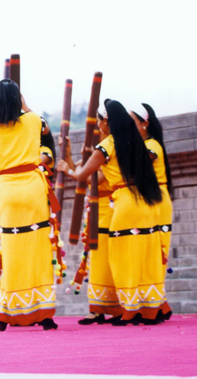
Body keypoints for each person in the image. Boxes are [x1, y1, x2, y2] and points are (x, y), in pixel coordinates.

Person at [60, 99, 168, 325]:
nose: (98, 125)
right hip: (143, 201)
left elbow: (83, 176)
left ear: (105, 122)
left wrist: (67, 170)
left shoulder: (109, 145)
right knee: (143, 257)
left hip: (126, 204)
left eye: (99, 121)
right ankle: (149, 309)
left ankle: (132, 309)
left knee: (123, 259)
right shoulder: (133, 141)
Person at [0, 79, 58, 332]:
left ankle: (5, 316)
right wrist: (25, 106)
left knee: (12, 253)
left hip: (8, 191)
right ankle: (45, 314)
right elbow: (46, 131)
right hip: (33, 189)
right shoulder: (33, 120)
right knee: (38, 251)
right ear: (18, 99)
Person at [59, 134, 124, 325]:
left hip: (109, 209)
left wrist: (70, 172)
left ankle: (118, 308)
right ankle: (97, 308)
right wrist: (68, 153)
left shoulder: (113, 149)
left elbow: (92, 178)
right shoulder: (98, 149)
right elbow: (78, 168)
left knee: (108, 261)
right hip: (96, 211)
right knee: (96, 262)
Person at [129, 102, 174, 321]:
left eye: (133, 123)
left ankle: (155, 307)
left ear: (144, 123)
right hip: (148, 201)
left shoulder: (152, 145)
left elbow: (143, 160)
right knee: (148, 255)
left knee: (156, 254)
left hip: (157, 203)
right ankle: (158, 306)